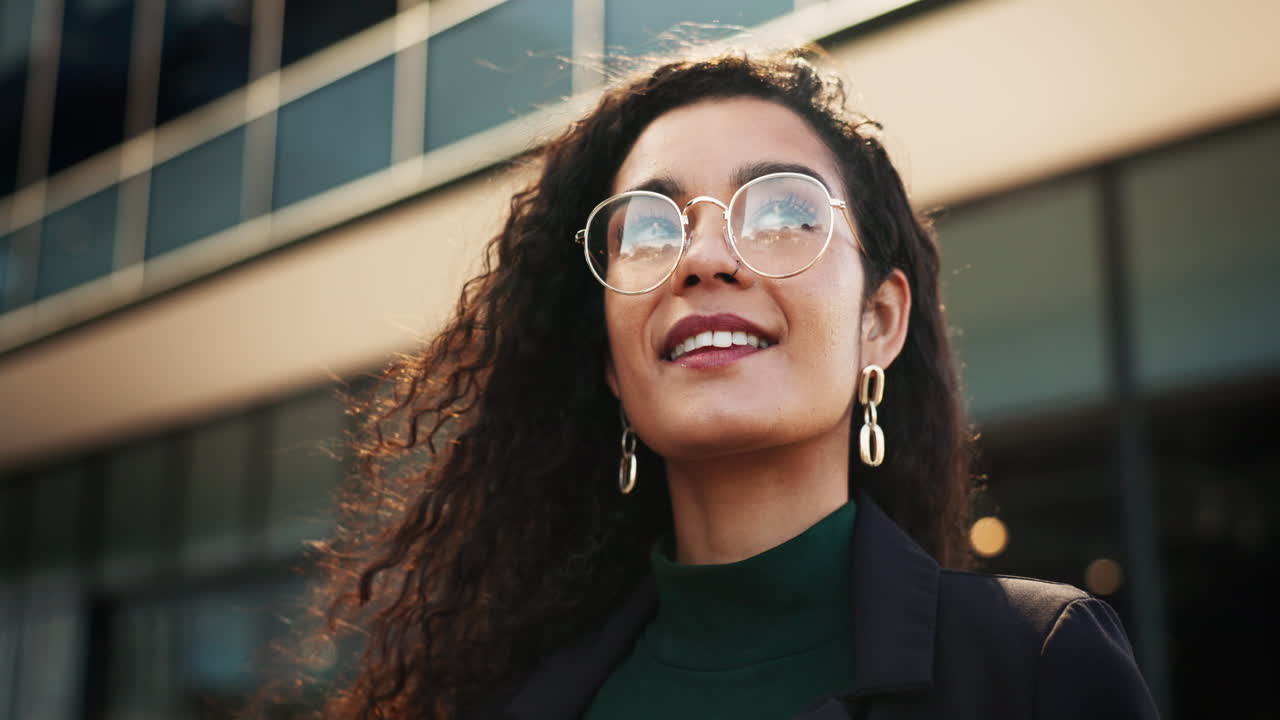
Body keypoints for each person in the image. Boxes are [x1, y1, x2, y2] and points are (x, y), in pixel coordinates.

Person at [304, 48, 1160, 719]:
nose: (703, 258)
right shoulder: (504, 702)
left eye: (784, 212)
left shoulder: (1033, 666)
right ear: (611, 360)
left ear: (880, 321)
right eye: (648, 227)